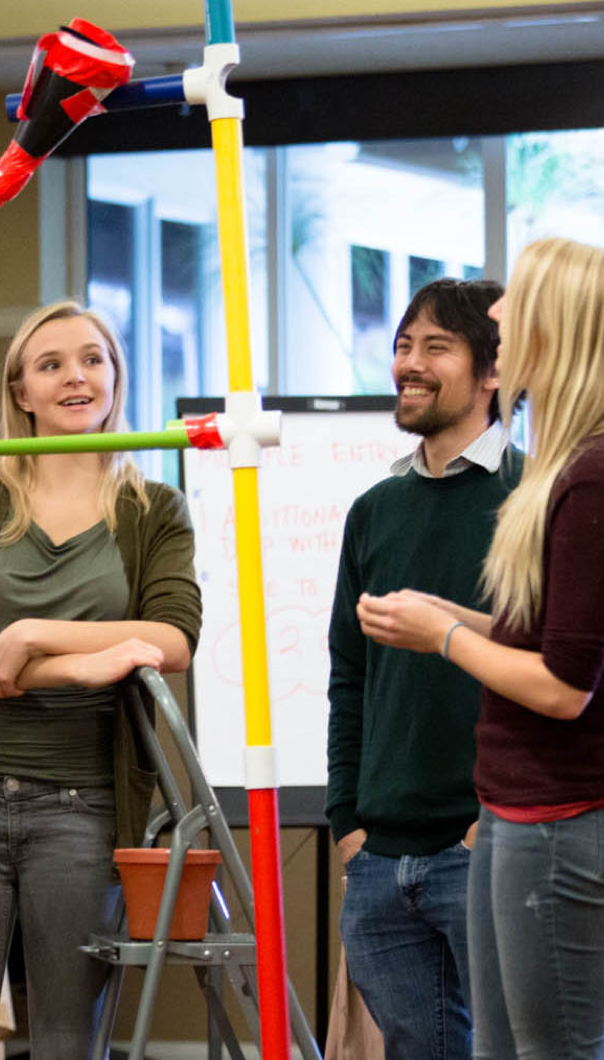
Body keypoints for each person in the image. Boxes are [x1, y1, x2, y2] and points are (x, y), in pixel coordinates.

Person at [0, 301, 201, 1059]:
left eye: (93, 359)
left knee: (68, 1045)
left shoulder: (153, 508)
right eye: (51, 364)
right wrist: (79, 666)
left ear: (115, 378)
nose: (76, 376)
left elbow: (172, 639)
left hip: (83, 802)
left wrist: (29, 635)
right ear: (21, 392)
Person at [357, 238, 604, 1060]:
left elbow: (568, 685)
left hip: (556, 819)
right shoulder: (562, 475)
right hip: (513, 815)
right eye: (405, 343)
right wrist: (451, 615)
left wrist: (446, 634)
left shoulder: (583, 477)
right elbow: (550, 636)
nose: (499, 316)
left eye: (511, 307)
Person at [325, 277, 523, 1060]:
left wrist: (489, 829)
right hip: (378, 860)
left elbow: (559, 670)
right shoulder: (374, 509)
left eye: (435, 347)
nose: (409, 362)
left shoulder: (536, 497)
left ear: (492, 372)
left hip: (488, 849)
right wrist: (348, 825)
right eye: (404, 344)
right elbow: (350, 676)